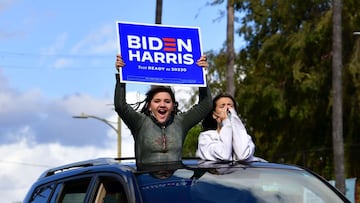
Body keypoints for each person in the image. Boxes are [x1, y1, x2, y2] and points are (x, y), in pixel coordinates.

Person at [114, 54, 212, 167]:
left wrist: (201, 74)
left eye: (167, 101)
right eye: (157, 101)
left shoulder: (181, 122)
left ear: (173, 106)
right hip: (145, 182)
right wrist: (121, 74)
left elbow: (206, 105)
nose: (162, 105)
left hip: (175, 182)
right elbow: (120, 106)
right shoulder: (139, 122)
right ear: (149, 106)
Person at [196, 93, 258, 161]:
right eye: (222, 106)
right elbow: (223, 155)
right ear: (214, 115)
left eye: (231, 106)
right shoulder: (206, 137)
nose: (227, 109)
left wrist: (234, 121)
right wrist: (226, 122)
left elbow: (242, 155)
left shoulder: (245, 137)